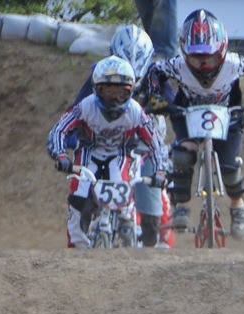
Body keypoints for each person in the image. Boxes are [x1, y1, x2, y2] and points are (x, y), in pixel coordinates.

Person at [146, 9, 244, 241]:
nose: (204, 66)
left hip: (228, 113)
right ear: (184, 53)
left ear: (222, 52)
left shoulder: (234, 63)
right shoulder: (178, 65)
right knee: (182, 156)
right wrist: (156, 98)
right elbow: (154, 71)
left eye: (210, 59)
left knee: (230, 167)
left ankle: (238, 206)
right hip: (186, 112)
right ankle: (181, 204)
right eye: (196, 59)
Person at [48, 55, 169, 249]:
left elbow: (156, 143)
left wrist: (161, 170)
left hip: (120, 156)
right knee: (78, 202)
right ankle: (74, 254)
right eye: (108, 92)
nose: (114, 98)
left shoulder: (136, 112)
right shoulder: (86, 106)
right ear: (97, 88)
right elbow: (60, 129)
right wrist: (60, 154)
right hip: (89, 155)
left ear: (130, 91)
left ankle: (128, 226)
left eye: (121, 93)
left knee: (124, 202)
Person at [71, 25, 172, 248]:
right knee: (81, 196)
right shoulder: (99, 75)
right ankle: (78, 244)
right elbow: (77, 107)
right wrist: (72, 134)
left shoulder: (156, 76)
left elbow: (175, 104)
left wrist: (173, 111)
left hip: (144, 147)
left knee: (153, 205)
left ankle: (158, 245)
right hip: (105, 145)